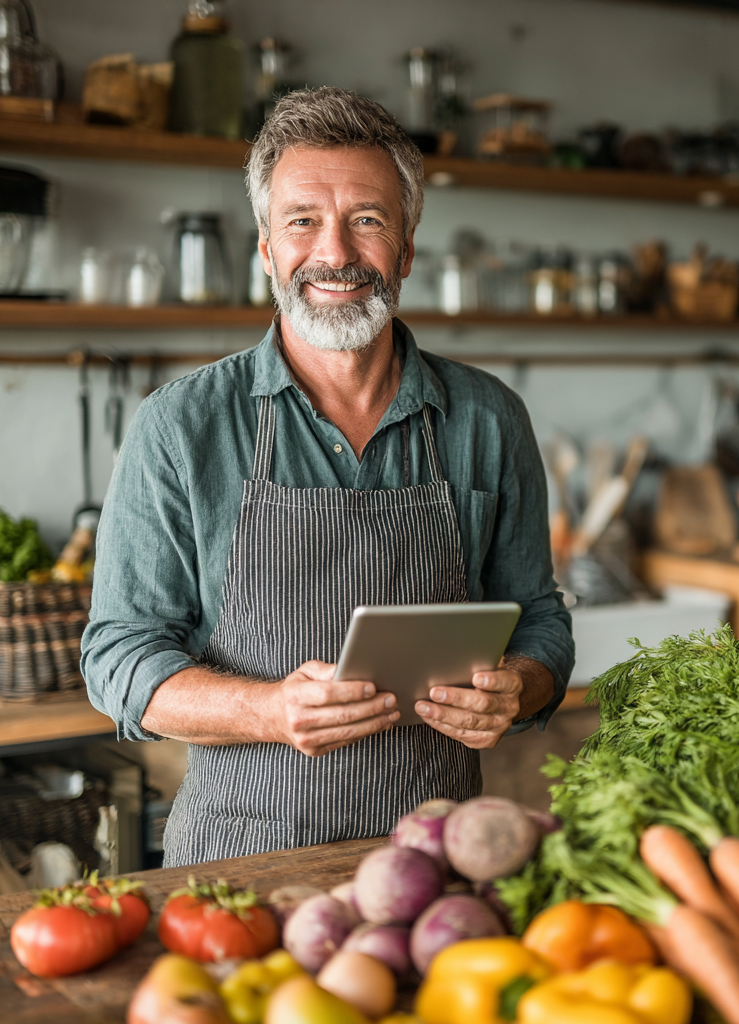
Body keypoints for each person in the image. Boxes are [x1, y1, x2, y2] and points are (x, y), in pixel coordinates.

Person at [82, 87, 574, 868]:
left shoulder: (488, 418)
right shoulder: (180, 427)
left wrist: (521, 685)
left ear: (407, 250)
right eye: (303, 220)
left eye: (368, 221)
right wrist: (270, 710)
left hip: (440, 864)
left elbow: (542, 621)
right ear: (268, 250)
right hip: (237, 872)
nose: (336, 254)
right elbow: (118, 659)